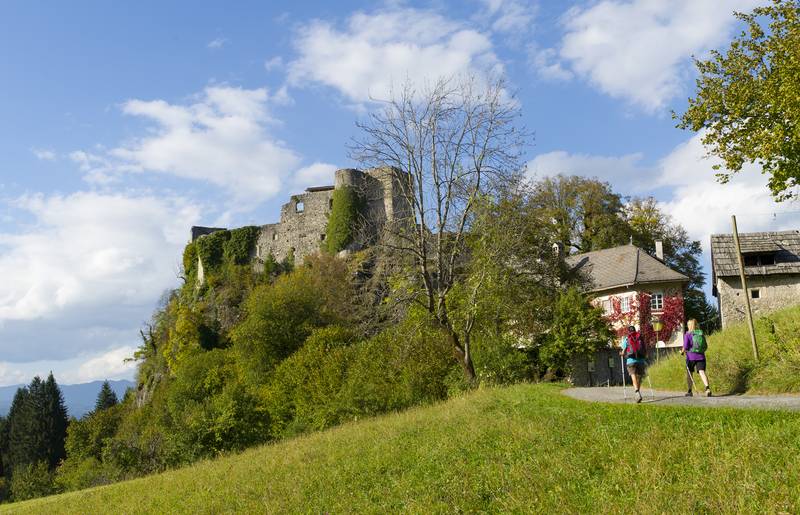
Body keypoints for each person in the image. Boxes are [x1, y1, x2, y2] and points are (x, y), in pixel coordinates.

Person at [682, 319, 711, 397]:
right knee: (702, 372)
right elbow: (705, 346)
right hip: (701, 356)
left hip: (691, 357)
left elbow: (685, 346)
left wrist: (682, 352)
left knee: (689, 373)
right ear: (696, 325)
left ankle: (690, 391)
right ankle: (707, 389)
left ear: (689, 325)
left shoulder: (687, 334)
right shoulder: (700, 333)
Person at [620, 325, 646, 403]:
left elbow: (623, 351)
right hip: (641, 360)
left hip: (631, 360)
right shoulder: (640, 337)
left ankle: (637, 392)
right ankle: (638, 393)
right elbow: (644, 348)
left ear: (629, 331)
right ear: (635, 330)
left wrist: (621, 354)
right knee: (639, 377)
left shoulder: (627, 338)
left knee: (633, 376)